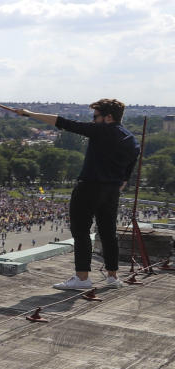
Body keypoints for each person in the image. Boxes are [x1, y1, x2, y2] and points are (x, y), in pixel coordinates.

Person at [17, 99, 140, 290]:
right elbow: (126, 178)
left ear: (108, 117)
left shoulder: (101, 130)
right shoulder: (132, 140)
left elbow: (64, 123)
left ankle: (82, 278)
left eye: (95, 116)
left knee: (81, 231)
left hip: (89, 187)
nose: (93, 120)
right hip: (112, 191)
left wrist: (29, 113)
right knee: (108, 233)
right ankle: (112, 276)